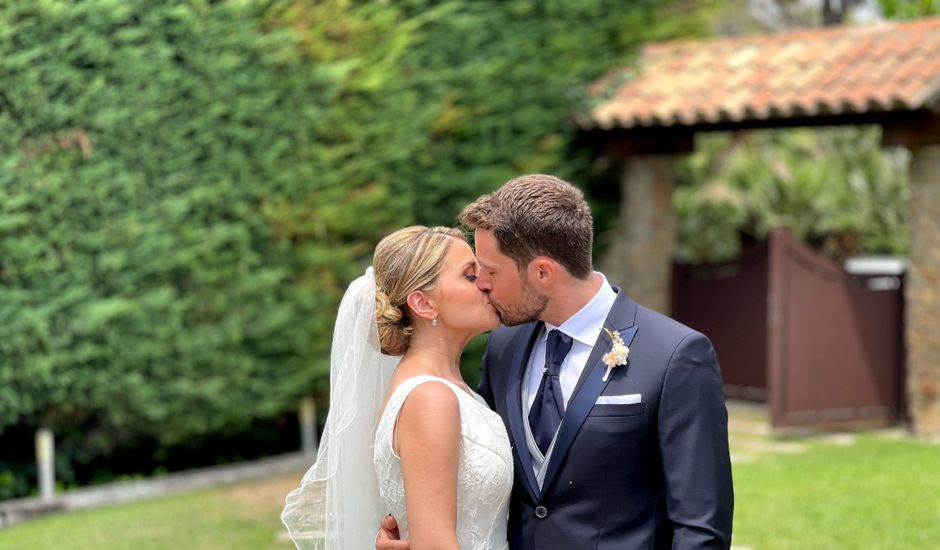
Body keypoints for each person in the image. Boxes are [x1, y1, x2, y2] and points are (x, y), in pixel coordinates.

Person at [378, 175, 734, 549]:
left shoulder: (675, 354)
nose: (483, 283)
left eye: (491, 271)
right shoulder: (503, 346)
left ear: (542, 272)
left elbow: (701, 529)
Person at [282, 226, 513, 550]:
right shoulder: (429, 398)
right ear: (423, 304)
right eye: (470, 276)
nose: (487, 284)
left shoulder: (449, 390)